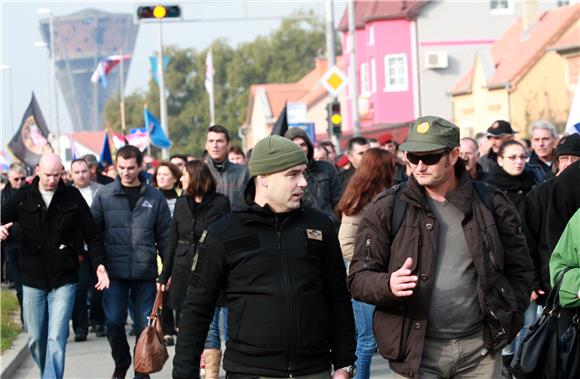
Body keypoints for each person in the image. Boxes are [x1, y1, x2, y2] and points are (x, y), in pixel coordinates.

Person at [349, 116, 533, 378]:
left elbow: (521, 268)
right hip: (415, 352)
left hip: (480, 351)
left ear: (454, 155)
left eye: (431, 157)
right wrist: (388, 284)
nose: (419, 166)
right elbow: (358, 278)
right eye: (412, 157)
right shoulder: (387, 206)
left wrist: (509, 314)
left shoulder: (491, 202)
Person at [173, 135, 356, 379]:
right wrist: (185, 374)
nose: (303, 182)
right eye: (292, 174)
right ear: (264, 178)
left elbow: (338, 298)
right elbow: (197, 309)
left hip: (314, 369)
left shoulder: (320, 226)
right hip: (250, 370)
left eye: (303, 173)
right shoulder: (224, 233)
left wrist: (344, 364)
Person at [1, 153, 109, 379]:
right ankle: (47, 373)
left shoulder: (71, 197)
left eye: (56, 175)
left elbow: (93, 234)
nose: (51, 180)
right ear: (38, 170)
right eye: (47, 175)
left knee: (56, 337)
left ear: (63, 173)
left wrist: (99, 265)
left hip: (64, 277)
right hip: (32, 277)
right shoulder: (23, 197)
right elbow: (2, 218)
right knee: (35, 338)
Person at [91, 145, 171, 379]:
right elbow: (94, 234)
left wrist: (167, 272)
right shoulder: (105, 195)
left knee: (144, 326)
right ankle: (122, 359)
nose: (126, 172)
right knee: (114, 322)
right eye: (122, 168)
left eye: (131, 168)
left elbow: (166, 237)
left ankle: (141, 368)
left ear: (140, 167)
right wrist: (99, 264)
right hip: (114, 273)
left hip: (146, 273)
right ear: (116, 166)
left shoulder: (154, 197)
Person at [157, 160, 230, 376]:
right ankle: (191, 368)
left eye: (184, 175)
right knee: (187, 325)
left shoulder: (220, 203)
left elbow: (227, 238)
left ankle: (211, 373)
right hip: (183, 270)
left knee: (211, 325)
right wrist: (164, 276)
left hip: (210, 270)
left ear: (196, 177)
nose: (180, 179)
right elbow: (172, 240)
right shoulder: (181, 203)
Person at [336, 148, 395, 379]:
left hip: (387, 278)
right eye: (391, 165)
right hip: (364, 278)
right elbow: (345, 243)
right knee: (367, 341)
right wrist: (369, 266)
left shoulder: (391, 194)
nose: (395, 168)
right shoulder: (359, 199)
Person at [521, 134, 580, 307]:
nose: (569, 164)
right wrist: (531, 279)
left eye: (575, 159)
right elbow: (526, 239)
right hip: (550, 282)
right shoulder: (539, 194)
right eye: (564, 158)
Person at [69, 158, 105, 342]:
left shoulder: (101, 190)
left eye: (84, 171)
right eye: (77, 172)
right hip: (77, 250)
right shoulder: (66, 193)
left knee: (98, 287)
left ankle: (99, 321)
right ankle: (80, 327)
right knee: (80, 289)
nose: (81, 175)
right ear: (70, 174)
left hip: (98, 247)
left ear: (90, 171)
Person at [151, 160, 183, 346]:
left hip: (181, 246)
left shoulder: (182, 195)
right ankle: (167, 329)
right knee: (163, 288)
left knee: (180, 285)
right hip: (160, 247)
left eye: (166, 174)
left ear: (174, 177)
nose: (162, 177)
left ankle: (181, 325)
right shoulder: (153, 196)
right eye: (159, 174)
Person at [285, 127, 342, 224]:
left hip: (327, 225)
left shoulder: (326, 169)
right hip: (298, 227)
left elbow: (338, 202)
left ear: (308, 147)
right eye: (294, 145)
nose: (299, 148)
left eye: (303, 144)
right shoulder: (282, 174)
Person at [0, 162, 27, 318]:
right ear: (9, 177)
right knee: (19, 285)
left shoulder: (31, 193)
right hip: (11, 245)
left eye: (23, 178)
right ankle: (25, 314)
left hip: (30, 245)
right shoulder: (3, 196)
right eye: (16, 179)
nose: (19, 182)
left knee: (32, 285)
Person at [205, 125, 250, 207]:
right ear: (206, 145)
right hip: (209, 219)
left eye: (219, 141)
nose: (215, 145)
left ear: (228, 145)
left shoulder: (243, 172)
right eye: (211, 141)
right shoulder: (199, 172)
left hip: (238, 218)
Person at [485, 140, 537, 211]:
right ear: (500, 160)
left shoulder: (532, 182)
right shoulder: (488, 188)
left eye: (522, 157)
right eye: (512, 157)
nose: (519, 161)